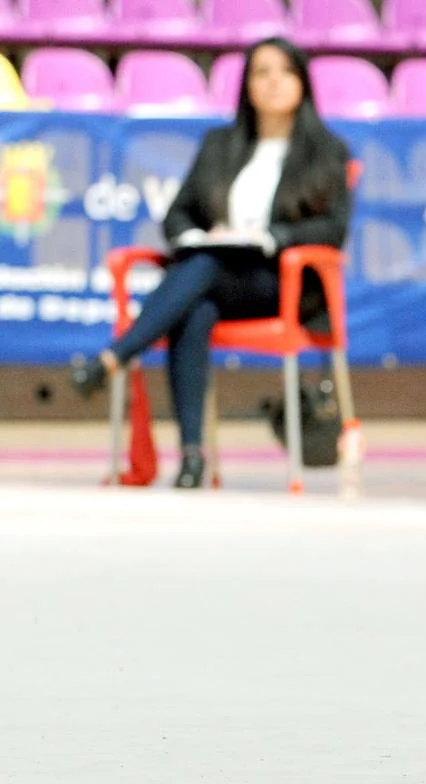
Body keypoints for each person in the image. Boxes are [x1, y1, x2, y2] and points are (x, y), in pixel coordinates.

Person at [71, 37, 352, 489]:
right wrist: (200, 236)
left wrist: (272, 237)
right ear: (247, 86)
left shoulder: (326, 151)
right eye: (262, 72)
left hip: (282, 282)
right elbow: (178, 214)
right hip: (219, 278)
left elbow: (332, 230)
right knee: (195, 304)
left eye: (285, 71)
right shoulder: (220, 146)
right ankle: (192, 457)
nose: (274, 81)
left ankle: (115, 356)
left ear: (302, 82)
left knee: (202, 271)